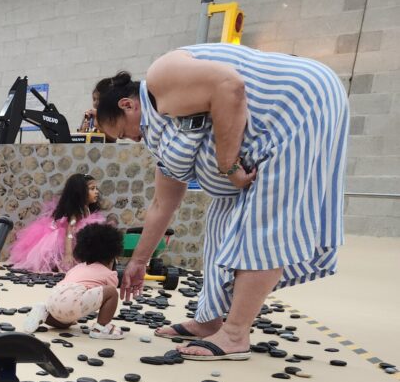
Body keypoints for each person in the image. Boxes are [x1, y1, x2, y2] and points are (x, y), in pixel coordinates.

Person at [95, 43, 349, 361]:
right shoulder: (164, 131)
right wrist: (138, 261)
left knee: (266, 222)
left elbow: (230, 86)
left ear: (127, 105)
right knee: (221, 221)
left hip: (296, 104)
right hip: (267, 130)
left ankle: (235, 333)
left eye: (121, 132)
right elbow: (163, 204)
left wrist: (228, 164)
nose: (129, 139)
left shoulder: (161, 77)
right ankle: (208, 320)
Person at [24, 223, 126, 340]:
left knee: (66, 322)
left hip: (54, 299)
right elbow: (107, 297)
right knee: (112, 292)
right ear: (112, 258)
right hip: (74, 300)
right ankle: (101, 328)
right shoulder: (110, 274)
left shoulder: (77, 268)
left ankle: (44, 314)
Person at [8, 174, 106, 272]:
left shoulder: (87, 209)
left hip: (77, 238)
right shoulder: (76, 212)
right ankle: (61, 263)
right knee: (57, 258)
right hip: (65, 239)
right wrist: (68, 254)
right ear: (80, 192)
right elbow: (69, 233)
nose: (96, 191)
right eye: (92, 189)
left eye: (96, 188)